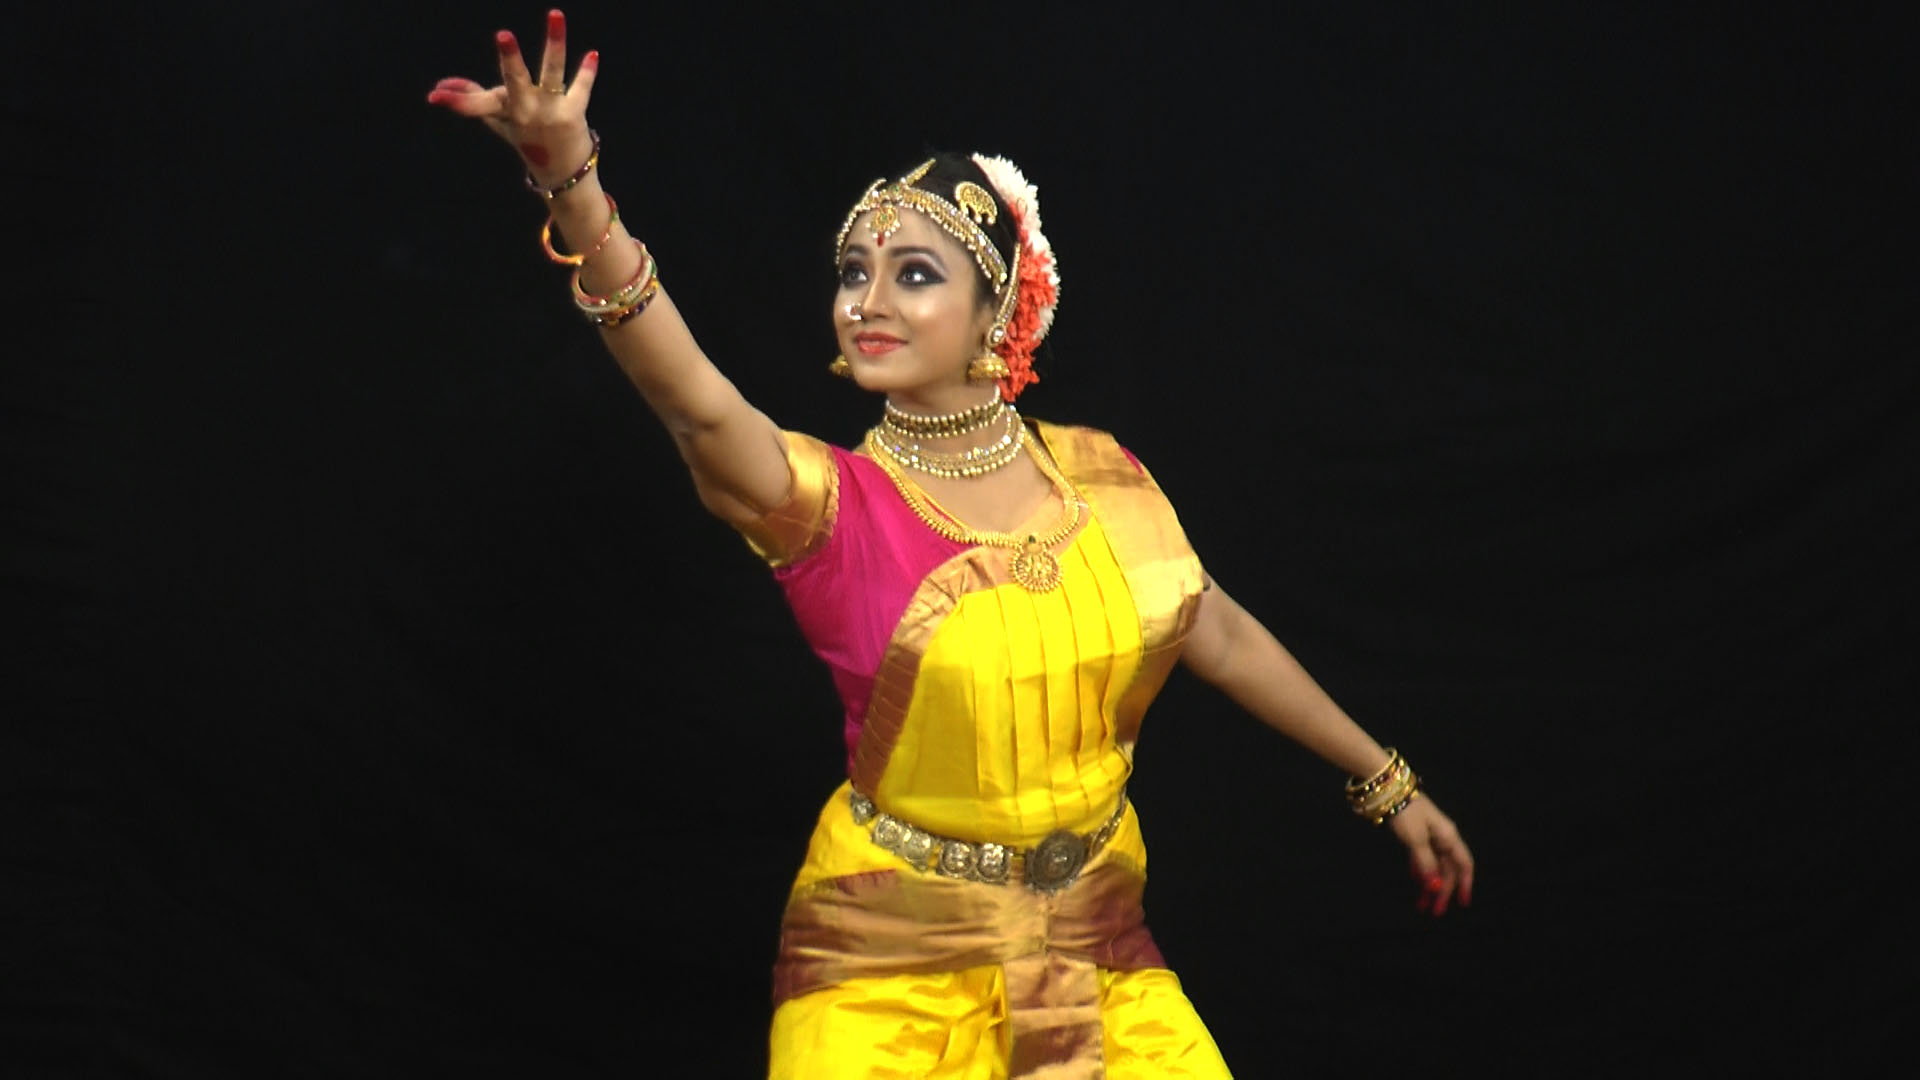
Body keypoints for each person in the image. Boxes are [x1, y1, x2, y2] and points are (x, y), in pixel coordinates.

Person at [428, 11, 1475, 1078]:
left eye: (916, 275)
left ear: (995, 313)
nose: (867, 302)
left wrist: (1385, 781)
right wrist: (573, 186)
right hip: (887, 969)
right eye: (853, 273)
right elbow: (694, 405)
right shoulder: (828, 505)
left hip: (1095, 947)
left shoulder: (1102, 477)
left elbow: (1219, 632)